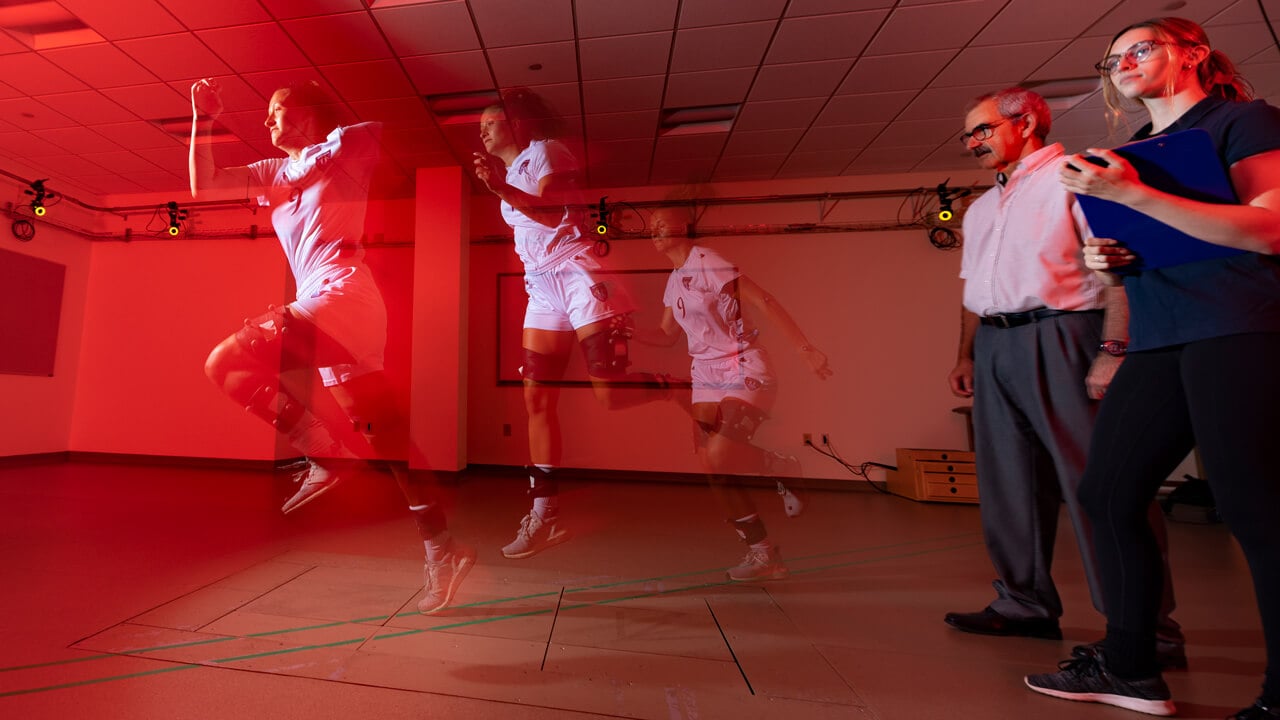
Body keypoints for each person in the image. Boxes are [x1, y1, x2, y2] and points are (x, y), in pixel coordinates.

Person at [1024, 17, 1280, 719]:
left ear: (1192, 53)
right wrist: (1117, 261)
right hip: (1163, 335)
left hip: (1240, 324)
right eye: (1113, 58)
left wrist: (1132, 196)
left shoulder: (1244, 120)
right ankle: (1131, 667)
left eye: (1141, 47)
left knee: (1255, 511)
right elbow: (1164, 240)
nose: (1124, 62)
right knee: (1108, 493)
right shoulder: (1132, 151)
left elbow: (1268, 228)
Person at [189, 78, 472, 614]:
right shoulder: (272, 172)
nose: (268, 121)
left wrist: (315, 158)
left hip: (343, 296)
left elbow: (380, 130)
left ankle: (324, 454)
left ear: (308, 113)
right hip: (334, 307)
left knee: (225, 361)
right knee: (389, 439)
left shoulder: (344, 145)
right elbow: (205, 185)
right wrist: (205, 119)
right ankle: (444, 549)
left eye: (278, 110)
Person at [944, 87, 1183, 660]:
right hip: (997, 345)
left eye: (982, 129)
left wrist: (1112, 350)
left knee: (1099, 484)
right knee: (1008, 484)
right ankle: (1024, 604)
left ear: (1026, 122)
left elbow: (1117, 271)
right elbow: (973, 293)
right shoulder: (979, 208)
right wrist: (965, 355)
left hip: (1064, 335)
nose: (973, 142)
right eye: (969, 134)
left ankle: (1147, 630)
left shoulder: (1077, 177)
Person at [472, 87, 675, 560]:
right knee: (536, 399)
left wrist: (500, 188)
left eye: (491, 121)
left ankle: (664, 383)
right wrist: (501, 185)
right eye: (479, 124)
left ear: (518, 124)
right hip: (540, 286)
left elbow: (551, 210)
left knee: (608, 396)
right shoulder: (509, 170)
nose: (481, 130)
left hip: (577, 272)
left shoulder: (547, 152)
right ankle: (545, 514)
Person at [643, 205, 831, 580]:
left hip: (741, 364)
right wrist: (625, 331)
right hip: (704, 374)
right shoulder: (674, 278)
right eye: (650, 226)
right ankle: (763, 554)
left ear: (685, 225)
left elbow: (764, 300)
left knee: (719, 453)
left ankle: (783, 468)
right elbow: (666, 336)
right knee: (713, 466)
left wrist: (805, 348)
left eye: (663, 221)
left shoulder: (706, 261)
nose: (655, 228)